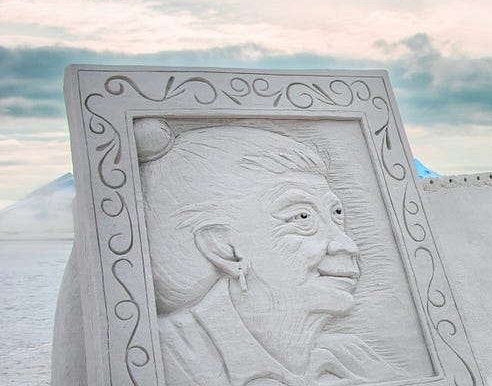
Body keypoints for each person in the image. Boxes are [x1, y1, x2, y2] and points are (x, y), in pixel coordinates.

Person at [138, 122, 404, 385]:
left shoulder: (352, 359)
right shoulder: (161, 355)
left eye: (336, 214)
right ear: (224, 249)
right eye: (302, 217)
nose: (347, 244)